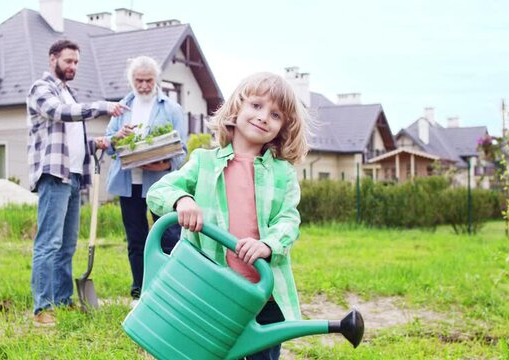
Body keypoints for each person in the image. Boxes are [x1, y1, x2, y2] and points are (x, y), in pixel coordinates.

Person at [146, 72, 309, 359]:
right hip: (211, 289)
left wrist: (268, 245)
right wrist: (182, 200)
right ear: (237, 109)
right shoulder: (203, 162)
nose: (263, 117)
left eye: (275, 114)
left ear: (283, 127)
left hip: (263, 294)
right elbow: (159, 191)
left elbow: (288, 220)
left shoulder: (283, 173)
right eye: (256, 106)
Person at [27, 39, 127, 325]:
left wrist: (108, 140)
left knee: (67, 244)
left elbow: (75, 140)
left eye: (76, 62)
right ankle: (42, 308)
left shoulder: (69, 94)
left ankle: (61, 299)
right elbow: (58, 114)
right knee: (49, 242)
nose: (73, 66)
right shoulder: (42, 89)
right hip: (54, 174)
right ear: (53, 59)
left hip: (72, 176)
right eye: (68, 61)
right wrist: (102, 106)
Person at [96, 56, 186, 306]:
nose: (144, 85)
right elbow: (109, 144)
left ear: (157, 80)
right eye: (139, 80)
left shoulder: (171, 108)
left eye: (149, 80)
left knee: (169, 236)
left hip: (161, 185)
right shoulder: (122, 108)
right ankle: (140, 289)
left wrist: (164, 164)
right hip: (128, 184)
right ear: (131, 81)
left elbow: (182, 150)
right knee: (136, 238)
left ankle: (170, 288)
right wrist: (116, 137)